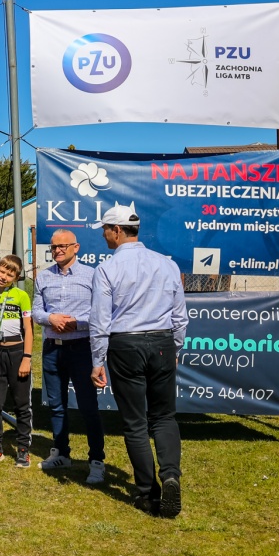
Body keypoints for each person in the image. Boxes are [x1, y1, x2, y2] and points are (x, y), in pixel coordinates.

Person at [89, 205, 188, 518]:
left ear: (117, 231)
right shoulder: (167, 264)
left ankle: (148, 493)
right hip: (161, 341)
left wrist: (97, 360)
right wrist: (174, 347)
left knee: (135, 423)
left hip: (125, 343)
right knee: (164, 416)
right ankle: (170, 475)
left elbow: (100, 320)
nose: (104, 234)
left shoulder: (107, 269)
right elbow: (180, 316)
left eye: (105, 229)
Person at [32, 229, 106, 484]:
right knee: (56, 405)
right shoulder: (43, 277)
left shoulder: (92, 275)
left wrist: (78, 323)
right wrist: (50, 318)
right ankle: (61, 453)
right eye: (54, 247)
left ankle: (96, 461)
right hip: (52, 349)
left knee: (88, 406)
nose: (58, 250)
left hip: (81, 348)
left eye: (63, 246)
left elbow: (100, 312)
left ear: (76, 247)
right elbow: (36, 311)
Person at [0, 254, 34, 467]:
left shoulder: (22, 296)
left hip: (17, 353)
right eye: (1, 271)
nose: (3, 277)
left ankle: (23, 450)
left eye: (9, 275)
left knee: (22, 405)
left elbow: (29, 329)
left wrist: (27, 358)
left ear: (16, 278)